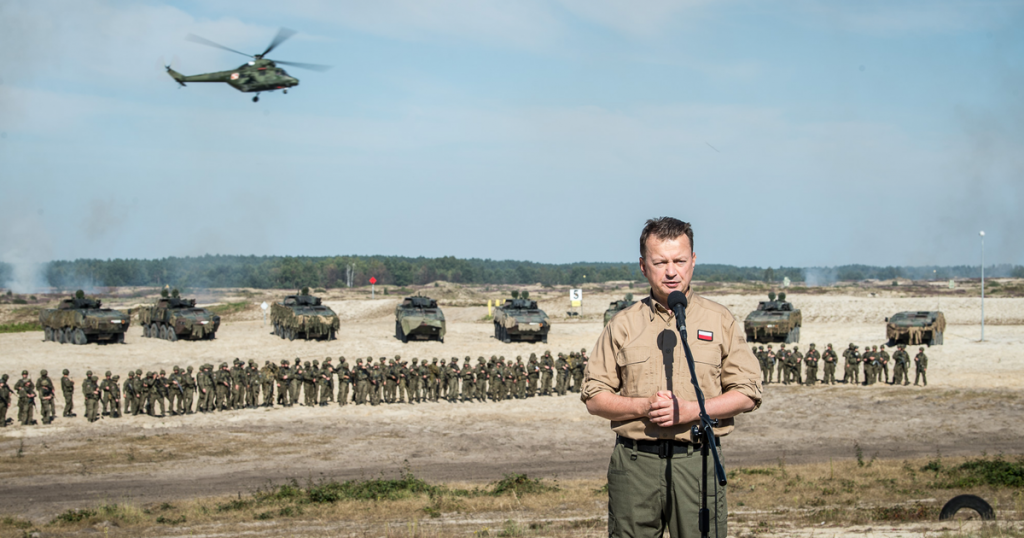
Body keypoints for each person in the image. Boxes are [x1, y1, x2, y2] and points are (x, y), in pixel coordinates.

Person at [582, 217, 761, 538]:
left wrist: (694, 411)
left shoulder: (719, 320)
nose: (671, 271)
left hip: (698, 460)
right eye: (660, 262)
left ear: (693, 261)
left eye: (679, 260)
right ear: (642, 266)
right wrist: (645, 407)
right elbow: (594, 397)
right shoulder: (622, 324)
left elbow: (747, 392)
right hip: (636, 464)